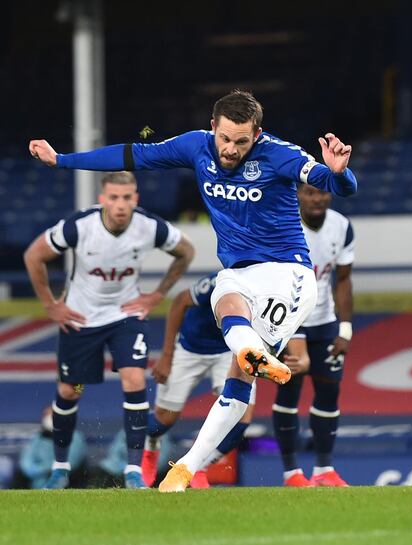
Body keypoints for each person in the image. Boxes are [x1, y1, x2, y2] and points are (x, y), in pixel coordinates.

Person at [29, 89, 358, 492]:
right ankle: (185, 468)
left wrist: (341, 172)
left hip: (288, 275)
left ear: (258, 133)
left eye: (242, 141)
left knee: (238, 368)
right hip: (241, 274)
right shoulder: (194, 146)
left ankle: (243, 357)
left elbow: (332, 184)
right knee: (225, 308)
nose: (231, 149)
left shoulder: (280, 154)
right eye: (225, 138)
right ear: (212, 127)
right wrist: (62, 160)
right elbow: (132, 154)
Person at [22, 172, 195, 489]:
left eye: (127, 198)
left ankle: (133, 470)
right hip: (81, 318)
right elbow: (34, 255)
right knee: (69, 391)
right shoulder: (80, 226)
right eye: (113, 198)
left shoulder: (149, 226)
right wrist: (50, 305)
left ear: (136, 199)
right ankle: (60, 467)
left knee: (134, 379)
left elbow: (186, 251)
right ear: (102, 199)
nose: (120, 205)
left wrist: (156, 294)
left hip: (124, 316)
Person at [142, 273, 310, 488]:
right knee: (164, 419)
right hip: (191, 348)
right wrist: (167, 355)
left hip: (230, 351)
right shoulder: (221, 283)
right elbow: (179, 301)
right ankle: (151, 444)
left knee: (240, 422)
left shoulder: (275, 292)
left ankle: (197, 467)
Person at [273, 184, 354, 487]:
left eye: (322, 192)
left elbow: (343, 280)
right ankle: (291, 472)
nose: (317, 198)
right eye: (310, 192)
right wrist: (293, 337)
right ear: (297, 194)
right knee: (289, 390)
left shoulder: (342, 227)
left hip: (325, 321)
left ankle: (323, 471)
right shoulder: (284, 223)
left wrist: (345, 329)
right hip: (289, 319)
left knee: (330, 392)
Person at [12, 407, 87, 489]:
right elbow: (26, 463)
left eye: (53, 415)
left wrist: (49, 469)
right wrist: (40, 470)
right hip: (38, 481)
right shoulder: (37, 438)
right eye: (46, 415)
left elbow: (73, 462)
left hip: (66, 479)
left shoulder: (74, 436)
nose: (49, 418)